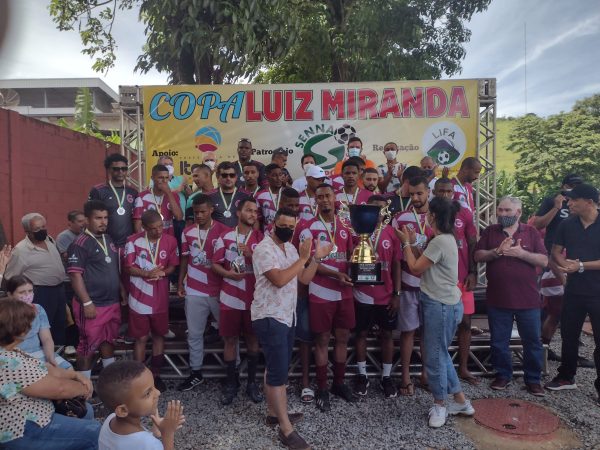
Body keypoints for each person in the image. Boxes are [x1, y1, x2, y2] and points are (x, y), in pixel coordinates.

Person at [252, 207, 332, 449]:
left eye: (291, 226)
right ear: (273, 224)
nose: (287, 229)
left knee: (275, 367)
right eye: (283, 225)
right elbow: (279, 280)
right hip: (270, 315)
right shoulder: (263, 248)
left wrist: (315, 259)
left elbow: (303, 279)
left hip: (287, 315)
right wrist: (302, 259)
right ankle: (286, 429)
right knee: (278, 374)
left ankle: (273, 413)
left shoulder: (291, 248)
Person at [397, 197, 475, 428]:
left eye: (429, 213)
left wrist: (405, 244)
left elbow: (415, 267)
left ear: (434, 216)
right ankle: (460, 401)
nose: (426, 216)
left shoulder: (440, 241)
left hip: (440, 305)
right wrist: (413, 243)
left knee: (434, 357)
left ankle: (440, 404)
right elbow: (425, 260)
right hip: (443, 302)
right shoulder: (444, 239)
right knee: (440, 353)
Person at [0, 298, 100, 449]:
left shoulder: (10, 351)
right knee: (95, 433)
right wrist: (84, 388)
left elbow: (45, 368)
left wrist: (76, 375)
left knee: (87, 412)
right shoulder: (7, 361)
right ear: (20, 329)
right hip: (23, 428)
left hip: (33, 415)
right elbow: (59, 389)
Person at [474, 196, 547, 396]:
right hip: (498, 298)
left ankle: (533, 379)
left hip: (528, 300)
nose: (502, 214)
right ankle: (503, 375)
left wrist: (521, 254)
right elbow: (478, 256)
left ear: (519, 212)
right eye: (500, 210)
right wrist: (497, 251)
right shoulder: (490, 231)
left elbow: (544, 260)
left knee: (532, 342)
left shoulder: (531, 232)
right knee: (499, 341)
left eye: (507, 210)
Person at [299, 184, 356, 411]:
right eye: (320, 196)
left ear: (335, 198)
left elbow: (350, 255)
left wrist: (359, 270)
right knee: (322, 340)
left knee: (342, 338)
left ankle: (339, 383)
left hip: (344, 291)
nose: (324, 200)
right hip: (320, 292)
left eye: (328, 196)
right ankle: (322, 387)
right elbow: (307, 261)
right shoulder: (307, 227)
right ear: (315, 200)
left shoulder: (346, 225)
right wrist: (335, 274)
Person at [545, 184, 600, 400]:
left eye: (574, 200)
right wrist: (565, 265)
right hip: (574, 289)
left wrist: (581, 266)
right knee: (568, 335)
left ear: (589, 202)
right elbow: (555, 252)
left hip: (597, 291)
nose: (569, 203)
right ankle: (566, 376)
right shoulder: (567, 224)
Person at [532, 174, 591, 363]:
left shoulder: (584, 203)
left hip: (580, 258)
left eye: (578, 186)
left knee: (576, 308)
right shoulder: (552, 200)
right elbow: (537, 225)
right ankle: (544, 349)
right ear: (563, 186)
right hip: (555, 258)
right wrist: (556, 207)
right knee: (555, 309)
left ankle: (567, 351)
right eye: (571, 186)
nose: (573, 191)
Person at [211, 198, 264, 404]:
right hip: (230, 297)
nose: (253, 214)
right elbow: (215, 264)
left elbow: (269, 267)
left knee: (253, 340)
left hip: (254, 298)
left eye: (255, 211)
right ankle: (231, 383)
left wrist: (252, 255)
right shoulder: (224, 237)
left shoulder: (261, 238)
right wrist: (229, 274)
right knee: (230, 340)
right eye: (249, 210)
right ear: (238, 212)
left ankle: (251, 383)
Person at [176, 194, 231, 391]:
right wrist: (180, 283)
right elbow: (184, 258)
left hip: (219, 289)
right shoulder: (187, 231)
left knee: (228, 334)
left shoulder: (225, 231)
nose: (198, 215)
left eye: (202, 212)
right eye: (196, 212)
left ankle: (232, 372)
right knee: (194, 333)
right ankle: (195, 372)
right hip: (194, 288)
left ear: (211, 210)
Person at [67, 200, 124, 379]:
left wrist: (121, 289)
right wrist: (87, 303)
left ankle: (110, 381)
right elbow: (75, 276)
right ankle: (84, 389)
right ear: (87, 220)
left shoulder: (108, 239)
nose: (103, 222)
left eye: (105, 217)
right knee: (87, 346)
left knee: (108, 340)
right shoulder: (79, 243)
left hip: (112, 302)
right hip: (93, 304)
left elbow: (113, 268)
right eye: (98, 218)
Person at [124, 210, 179, 392]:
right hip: (139, 298)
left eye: (160, 227)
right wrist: (146, 273)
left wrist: (163, 272)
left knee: (158, 335)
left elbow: (172, 265)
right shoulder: (132, 241)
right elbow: (128, 267)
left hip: (160, 298)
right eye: (154, 228)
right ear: (144, 227)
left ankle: (156, 376)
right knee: (140, 338)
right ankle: (139, 379)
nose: (158, 231)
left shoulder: (170, 240)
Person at [352, 195, 401, 398]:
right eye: (374, 208)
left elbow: (397, 265)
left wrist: (397, 294)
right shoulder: (356, 232)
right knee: (361, 334)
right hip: (361, 293)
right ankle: (362, 375)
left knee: (387, 335)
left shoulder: (391, 233)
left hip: (386, 294)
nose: (378, 212)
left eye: (381, 209)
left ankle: (386, 377)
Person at [432, 178, 479, 384]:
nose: (445, 195)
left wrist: (473, 272)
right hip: (439, 280)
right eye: (441, 191)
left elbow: (472, 243)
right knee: (438, 325)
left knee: (466, 323)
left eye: (448, 191)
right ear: (434, 192)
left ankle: (464, 368)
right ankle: (436, 369)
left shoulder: (464, 212)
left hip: (462, 278)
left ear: (453, 192)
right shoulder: (430, 214)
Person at [391, 176, 434, 395]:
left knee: (428, 333)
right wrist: (397, 291)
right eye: (412, 194)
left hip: (431, 286)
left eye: (420, 193)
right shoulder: (400, 218)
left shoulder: (437, 217)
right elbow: (396, 259)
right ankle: (405, 377)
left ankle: (426, 374)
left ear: (428, 192)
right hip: (408, 285)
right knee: (407, 332)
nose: (416, 198)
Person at [4, 213, 67, 345]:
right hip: (41, 293)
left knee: (60, 323)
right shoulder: (21, 250)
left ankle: (57, 353)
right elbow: (10, 276)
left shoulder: (49, 239)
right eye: (37, 229)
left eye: (43, 227)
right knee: (42, 326)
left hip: (59, 290)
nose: (42, 231)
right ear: (28, 232)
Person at [97, 360, 185, 450]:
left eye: (154, 386)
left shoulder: (110, 420)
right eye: (147, 393)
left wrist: (155, 431)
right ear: (123, 410)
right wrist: (167, 433)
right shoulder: (148, 443)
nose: (158, 392)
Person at [6, 275, 72, 369]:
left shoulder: (38, 309)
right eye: (22, 292)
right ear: (10, 295)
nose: (27, 295)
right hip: (12, 356)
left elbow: (46, 339)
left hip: (37, 351)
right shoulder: (4, 313)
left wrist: (50, 357)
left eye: (30, 291)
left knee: (68, 368)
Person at [88, 153, 138, 249]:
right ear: (108, 170)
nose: (120, 172)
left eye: (124, 169)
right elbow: (91, 217)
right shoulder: (98, 191)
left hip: (128, 245)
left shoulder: (133, 192)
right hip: (106, 243)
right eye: (116, 169)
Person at [134, 164, 184, 236]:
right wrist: (142, 241)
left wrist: (169, 193)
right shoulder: (141, 197)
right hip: (148, 240)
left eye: (166, 178)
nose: (164, 181)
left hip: (167, 239)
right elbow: (137, 225)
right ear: (152, 178)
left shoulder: (173, 196)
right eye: (160, 177)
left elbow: (179, 217)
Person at [207, 161, 252, 228]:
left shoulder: (246, 196)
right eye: (224, 175)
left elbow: (253, 219)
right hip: (217, 234)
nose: (228, 178)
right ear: (217, 177)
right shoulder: (209, 196)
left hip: (239, 234)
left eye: (232, 175)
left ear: (236, 177)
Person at [256, 163, 284, 231]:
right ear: (267, 177)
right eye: (274, 175)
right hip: (267, 234)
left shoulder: (287, 193)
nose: (278, 178)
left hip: (285, 234)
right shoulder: (260, 196)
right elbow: (257, 219)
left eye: (280, 175)